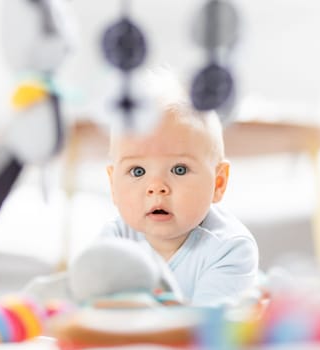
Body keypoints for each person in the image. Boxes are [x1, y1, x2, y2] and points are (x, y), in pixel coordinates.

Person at [99, 68, 259, 306]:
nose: (156, 187)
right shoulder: (115, 239)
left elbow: (208, 332)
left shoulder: (230, 248)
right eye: (137, 171)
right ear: (113, 184)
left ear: (218, 183)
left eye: (179, 169)